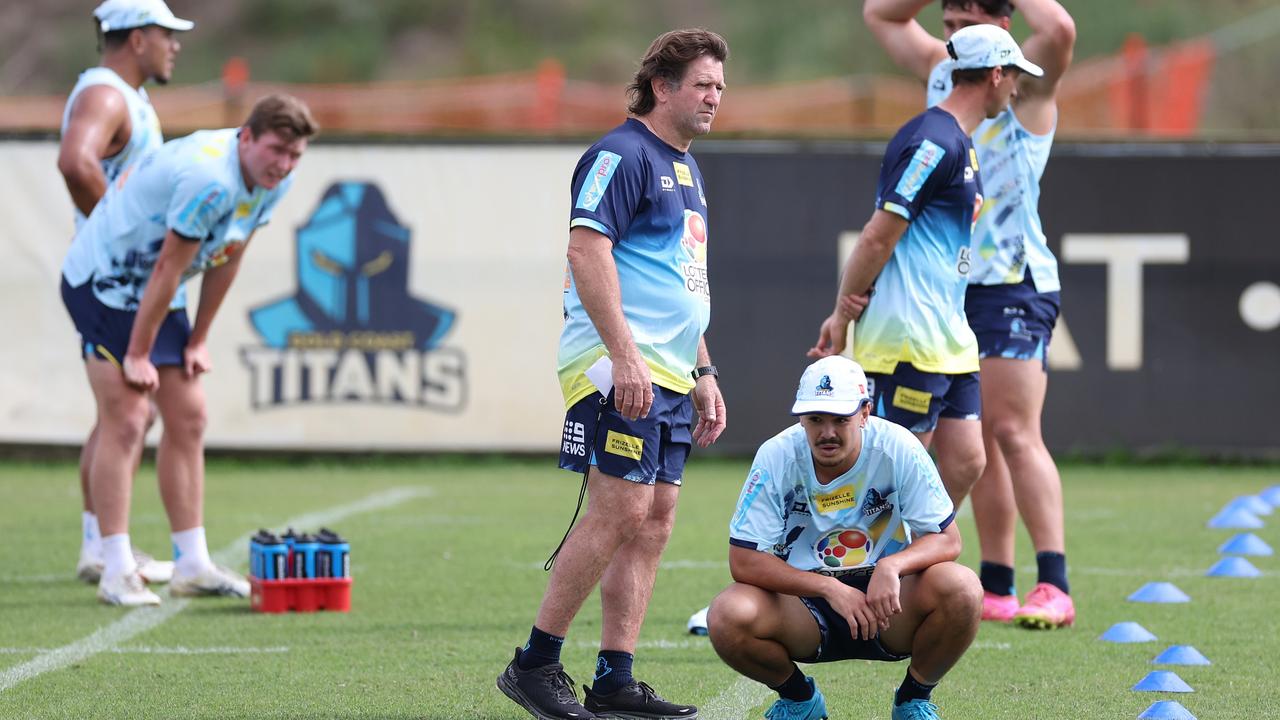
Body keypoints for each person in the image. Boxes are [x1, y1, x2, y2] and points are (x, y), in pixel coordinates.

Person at [497, 28, 729, 720]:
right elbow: (585, 251)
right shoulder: (620, 153)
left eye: (720, 86)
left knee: (655, 519)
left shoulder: (685, 166)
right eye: (701, 85)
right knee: (621, 509)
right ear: (662, 87)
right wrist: (624, 355)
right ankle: (535, 664)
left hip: (670, 370)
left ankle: (614, 679)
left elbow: (681, 284)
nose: (715, 97)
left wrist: (706, 370)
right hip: (614, 365)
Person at [863, 0, 1077, 629]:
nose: (949, 37)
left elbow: (1059, 27)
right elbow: (881, 15)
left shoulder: (1025, 81)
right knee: (972, 442)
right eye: (947, 23)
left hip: (1013, 278)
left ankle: (1055, 583)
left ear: (1004, 31)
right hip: (948, 290)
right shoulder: (945, 68)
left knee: (1014, 430)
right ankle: (997, 583)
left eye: (964, 26)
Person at [60, 94, 317, 606]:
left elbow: (228, 255)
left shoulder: (274, 180)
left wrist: (197, 339)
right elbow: (167, 269)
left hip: (156, 288)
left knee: (190, 414)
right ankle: (113, 567)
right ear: (246, 137)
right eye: (275, 151)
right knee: (129, 417)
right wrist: (138, 353)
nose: (284, 165)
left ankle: (192, 563)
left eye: (295, 156)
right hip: (103, 281)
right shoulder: (210, 179)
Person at [811, 26, 1041, 526]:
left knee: (966, 461)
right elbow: (877, 235)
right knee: (893, 474)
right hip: (908, 336)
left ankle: (901, 560)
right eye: (1015, 77)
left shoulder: (959, 141)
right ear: (996, 74)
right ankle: (840, 577)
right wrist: (842, 310)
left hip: (948, 338)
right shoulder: (933, 142)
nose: (1017, 89)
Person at [707, 355, 981, 720]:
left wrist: (892, 566)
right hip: (804, 604)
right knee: (727, 614)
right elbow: (743, 561)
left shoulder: (899, 446)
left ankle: (913, 700)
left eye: (841, 419)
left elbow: (947, 540)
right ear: (800, 417)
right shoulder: (776, 455)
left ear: (865, 413)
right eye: (815, 419)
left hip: (887, 605)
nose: (827, 432)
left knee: (962, 588)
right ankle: (799, 700)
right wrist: (829, 589)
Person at [58, 0, 194, 587]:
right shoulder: (107, 93)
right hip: (113, 282)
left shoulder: (124, 95)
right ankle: (104, 550)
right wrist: (117, 235)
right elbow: (74, 161)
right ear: (138, 38)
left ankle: (97, 544)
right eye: (168, 35)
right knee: (127, 415)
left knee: (118, 414)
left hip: (120, 279)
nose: (176, 46)